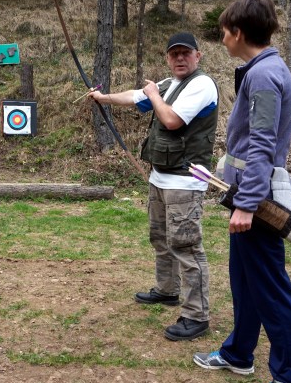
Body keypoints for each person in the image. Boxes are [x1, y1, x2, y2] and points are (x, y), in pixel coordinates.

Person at [192, 0, 291, 383]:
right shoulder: (261, 70)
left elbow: (262, 144)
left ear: (238, 32)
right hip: (245, 194)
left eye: (224, 32)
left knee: (270, 289)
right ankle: (238, 353)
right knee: (245, 282)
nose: (222, 39)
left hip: (256, 200)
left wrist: (247, 204)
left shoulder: (264, 75)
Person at [88, 32, 218, 341]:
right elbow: (135, 97)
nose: (180, 58)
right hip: (160, 177)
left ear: (198, 56)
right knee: (161, 238)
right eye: (174, 54)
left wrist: (154, 95)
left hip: (185, 181)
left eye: (186, 53)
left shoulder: (202, 85)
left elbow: (172, 120)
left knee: (186, 246)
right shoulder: (169, 84)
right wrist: (103, 98)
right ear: (168, 58)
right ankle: (167, 289)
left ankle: (196, 316)